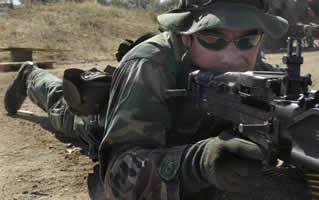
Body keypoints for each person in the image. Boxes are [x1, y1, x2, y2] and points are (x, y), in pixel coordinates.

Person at [4, 0, 313, 200]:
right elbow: (116, 180)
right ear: (187, 35)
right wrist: (196, 163)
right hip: (105, 120)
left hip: (182, 137)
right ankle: (29, 76)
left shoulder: (256, 66)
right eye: (213, 38)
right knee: (61, 107)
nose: (234, 54)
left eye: (248, 38)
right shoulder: (149, 64)